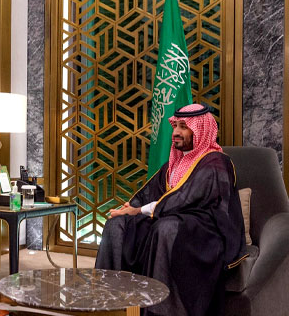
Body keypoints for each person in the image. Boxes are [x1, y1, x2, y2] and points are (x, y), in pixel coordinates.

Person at [95, 103, 248, 316]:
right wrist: (129, 208)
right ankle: (108, 303)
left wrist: (138, 211)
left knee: (166, 228)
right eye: (175, 125)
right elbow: (150, 193)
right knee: (116, 225)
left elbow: (185, 199)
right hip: (168, 219)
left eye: (183, 127)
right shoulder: (174, 164)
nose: (175, 132)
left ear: (200, 130)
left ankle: (159, 310)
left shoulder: (216, 162)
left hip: (205, 232)